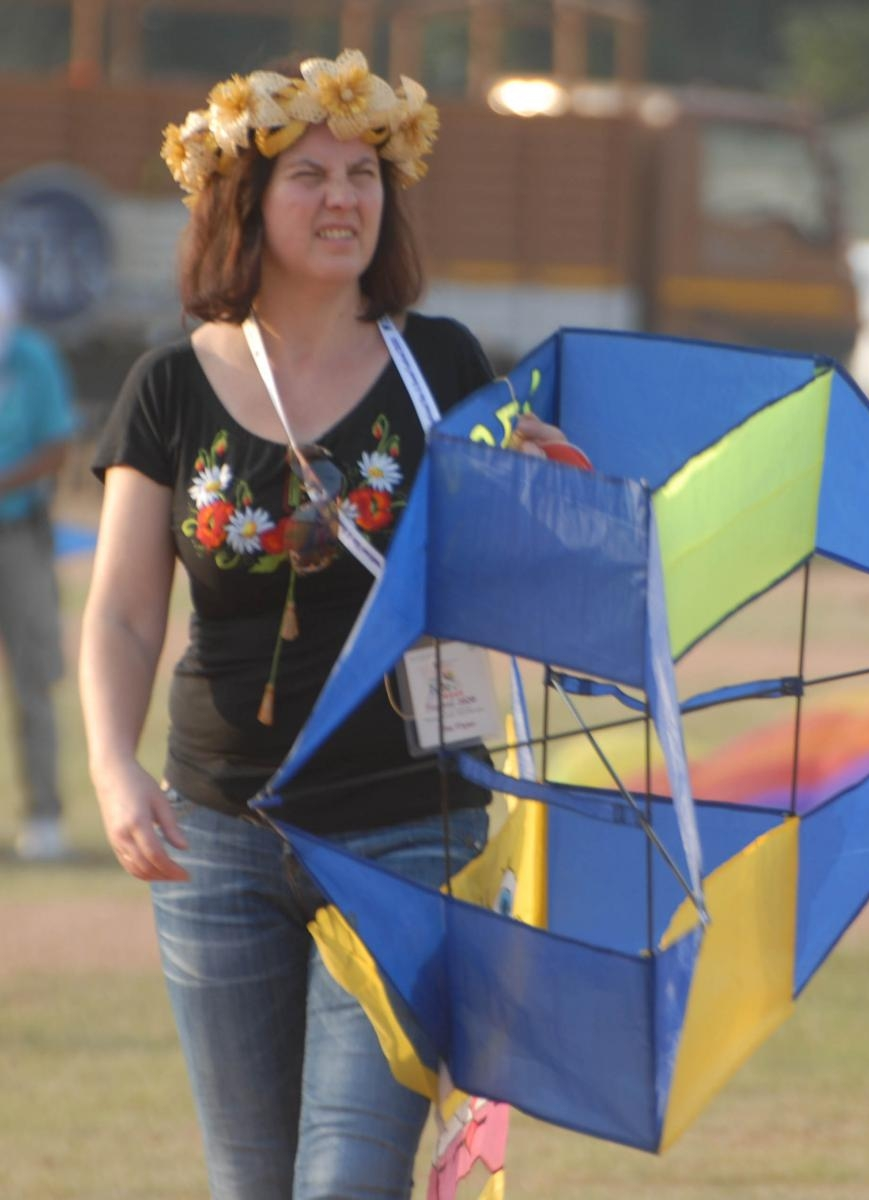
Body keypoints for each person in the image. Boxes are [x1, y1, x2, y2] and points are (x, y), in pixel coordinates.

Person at [79, 50, 569, 1200]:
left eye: (365, 172)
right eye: (308, 174)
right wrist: (111, 768)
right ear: (242, 200)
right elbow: (121, 611)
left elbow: (511, 568)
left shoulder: (438, 363)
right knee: (251, 1182)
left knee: (348, 1178)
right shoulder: (168, 386)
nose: (346, 197)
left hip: (409, 821)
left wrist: (546, 496)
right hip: (217, 833)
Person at [0, 263, 77, 862]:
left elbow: (57, 446)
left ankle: (44, 817)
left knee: (33, 677)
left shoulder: (34, 358)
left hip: (19, 533)